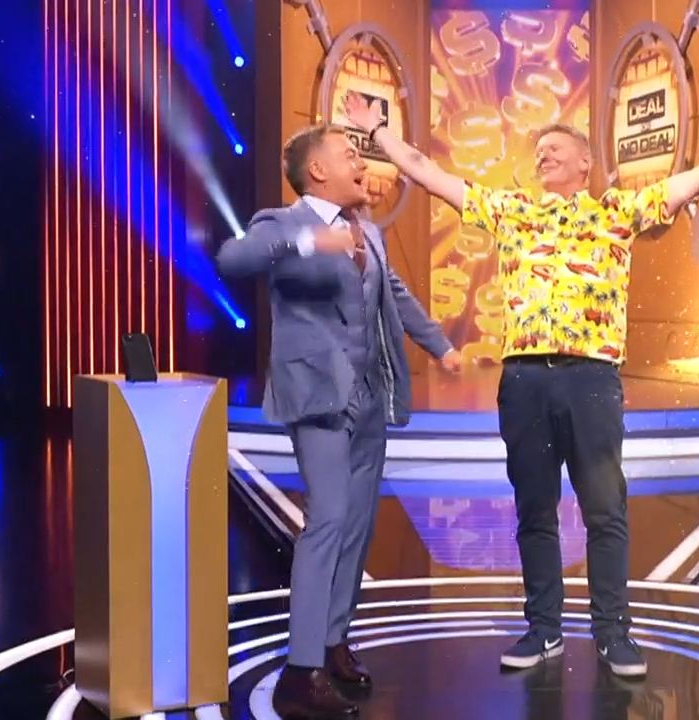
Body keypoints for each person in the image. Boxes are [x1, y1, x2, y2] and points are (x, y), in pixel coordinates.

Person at [343, 89, 699, 678]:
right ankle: (543, 630)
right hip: (525, 381)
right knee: (534, 511)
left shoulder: (618, 213)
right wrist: (377, 132)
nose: (543, 156)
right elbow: (426, 172)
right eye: (538, 151)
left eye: (554, 148)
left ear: (585, 162)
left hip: (591, 379)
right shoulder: (511, 210)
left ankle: (614, 633)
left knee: (604, 510)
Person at [217, 124, 460, 717]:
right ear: (317, 171)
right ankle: (300, 672)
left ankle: (333, 642)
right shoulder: (283, 222)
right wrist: (308, 242)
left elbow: (395, 296)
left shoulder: (368, 231)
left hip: (371, 396)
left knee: (356, 527)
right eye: (348, 153)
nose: (361, 162)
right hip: (318, 396)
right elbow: (232, 258)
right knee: (327, 520)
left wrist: (441, 347)